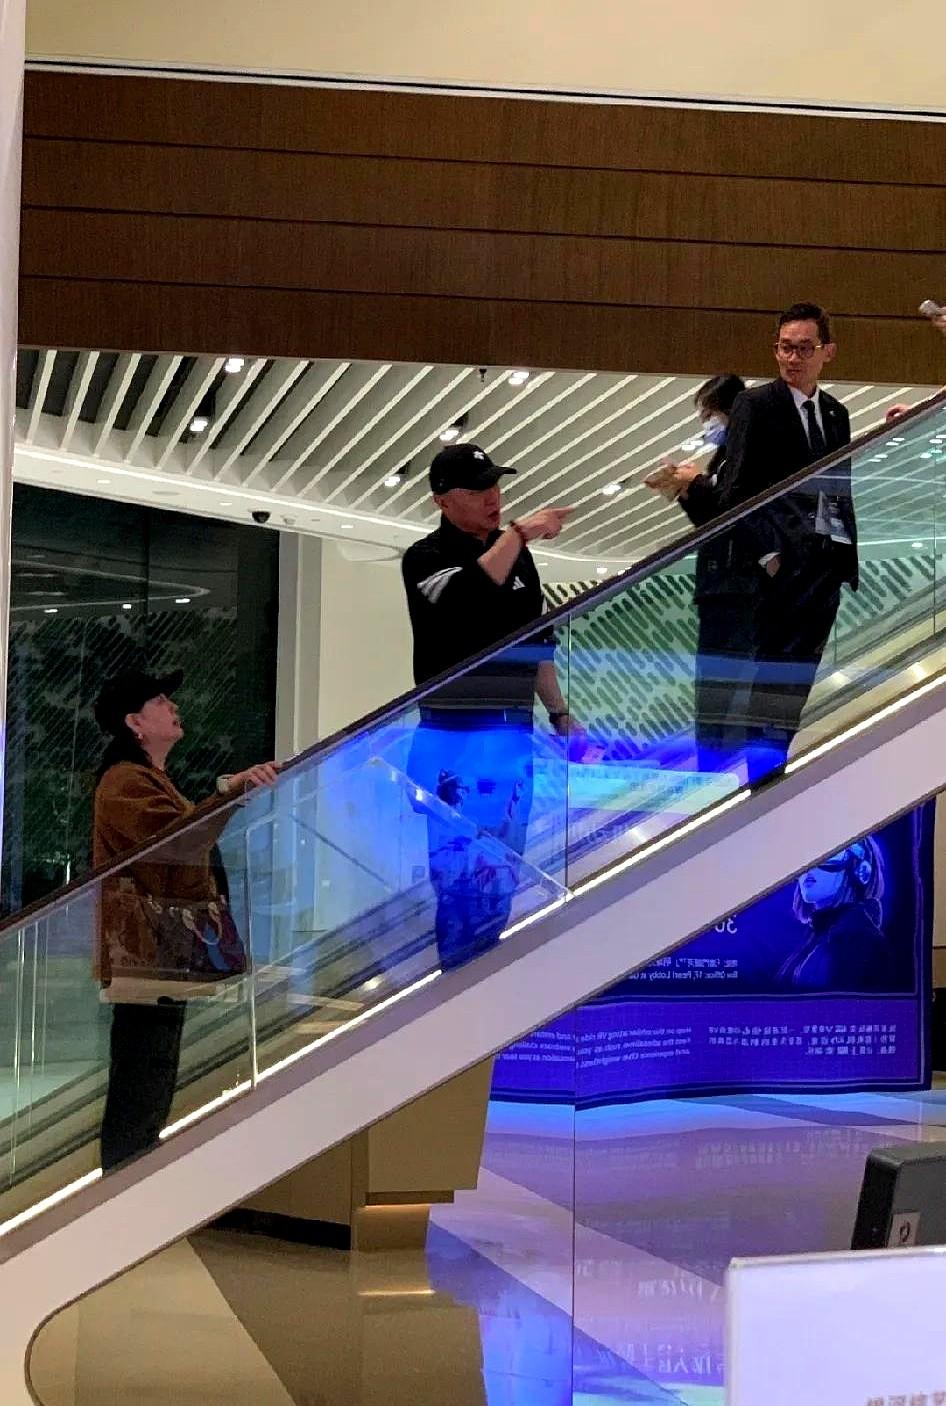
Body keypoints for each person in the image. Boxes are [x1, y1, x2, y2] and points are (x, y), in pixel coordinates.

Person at [401, 443, 582, 972]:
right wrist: (519, 534)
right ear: (442, 501)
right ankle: (458, 985)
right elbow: (467, 596)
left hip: (511, 735)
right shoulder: (426, 557)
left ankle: (488, 977)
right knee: (458, 878)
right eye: (477, 489)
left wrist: (559, 712)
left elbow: (536, 640)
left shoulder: (517, 554)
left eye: (495, 485)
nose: (492, 497)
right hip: (454, 738)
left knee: (504, 868)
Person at [93, 666, 278, 1172]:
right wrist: (230, 793)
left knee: (149, 1075)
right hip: (146, 955)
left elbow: (179, 834)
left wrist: (227, 790)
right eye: (159, 701)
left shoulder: (144, 779)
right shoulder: (125, 780)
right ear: (134, 722)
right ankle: (125, 1186)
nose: (173, 707)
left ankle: (130, 1182)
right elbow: (177, 842)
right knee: (143, 1080)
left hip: (156, 957)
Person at [714, 302, 857, 779]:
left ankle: (774, 763)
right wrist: (768, 556)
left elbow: (839, 489)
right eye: (784, 348)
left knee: (800, 675)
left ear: (827, 352)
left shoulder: (835, 413)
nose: (792, 358)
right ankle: (760, 775)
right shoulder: (755, 405)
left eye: (803, 349)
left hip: (825, 563)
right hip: (778, 568)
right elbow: (734, 491)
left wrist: (842, 555)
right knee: (773, 670)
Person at [645, 373, 751, 774]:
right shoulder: (724, 455)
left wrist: (698, 483)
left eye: (710, 414)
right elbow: (713, 521)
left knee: (725, 690)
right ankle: (713, 766)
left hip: (737, 589)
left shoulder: (746, 453)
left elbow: (735, 509)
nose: (708, 424)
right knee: (711, 690)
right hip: (718, 585)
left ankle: (723, 768)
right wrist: (686, 490)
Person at [777, 838, 899, 992]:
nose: (808, 867)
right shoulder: (819, 937)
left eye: (828, 854)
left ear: (860, 869)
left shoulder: (859, 941)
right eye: (802, 856)